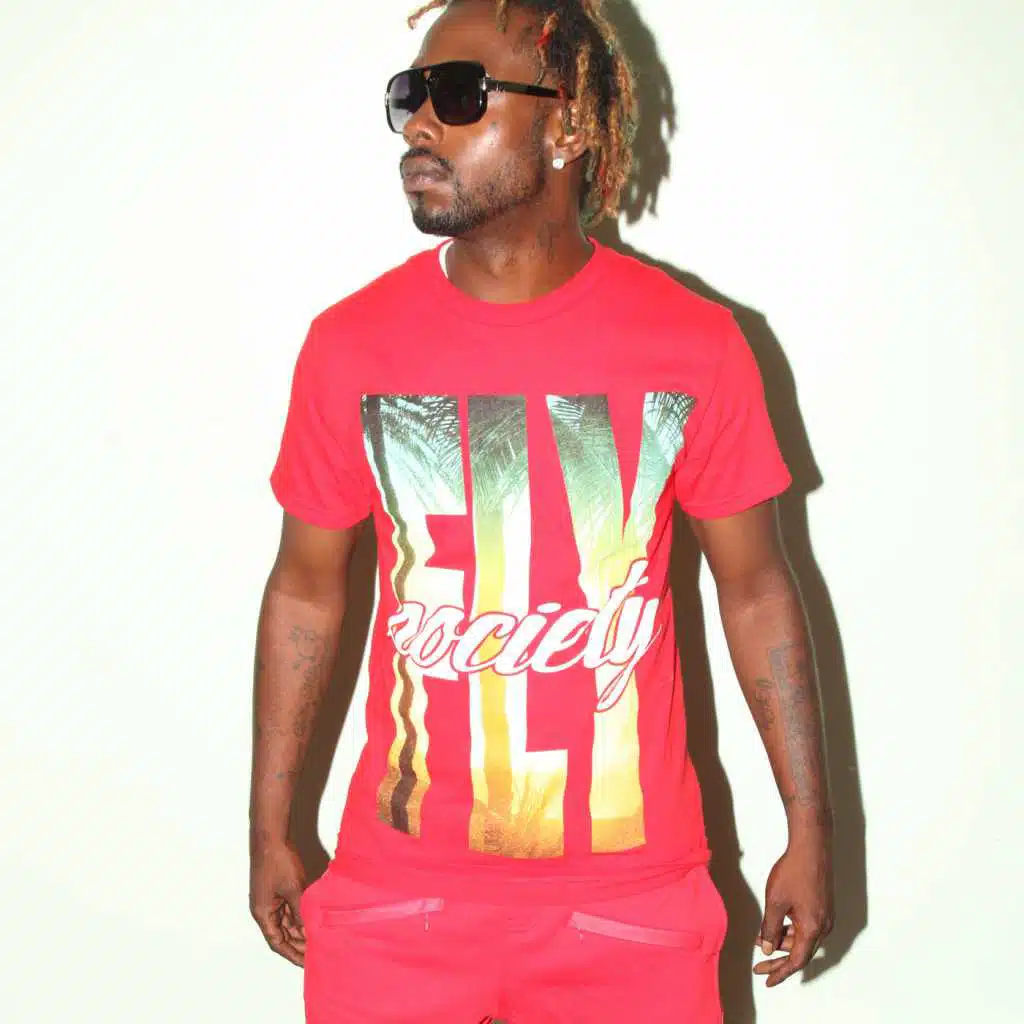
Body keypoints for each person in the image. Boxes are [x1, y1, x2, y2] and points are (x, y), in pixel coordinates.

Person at [248, 0, 835, 1020]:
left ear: (565, 125)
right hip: (398, 906)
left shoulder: (694, 345)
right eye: (408, 95)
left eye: (458, 94)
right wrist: (268, 824)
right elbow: (305, 590)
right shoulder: (350, 346)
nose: (418, 124)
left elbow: (754, 590)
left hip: (630, 910)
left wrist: (810, 824)